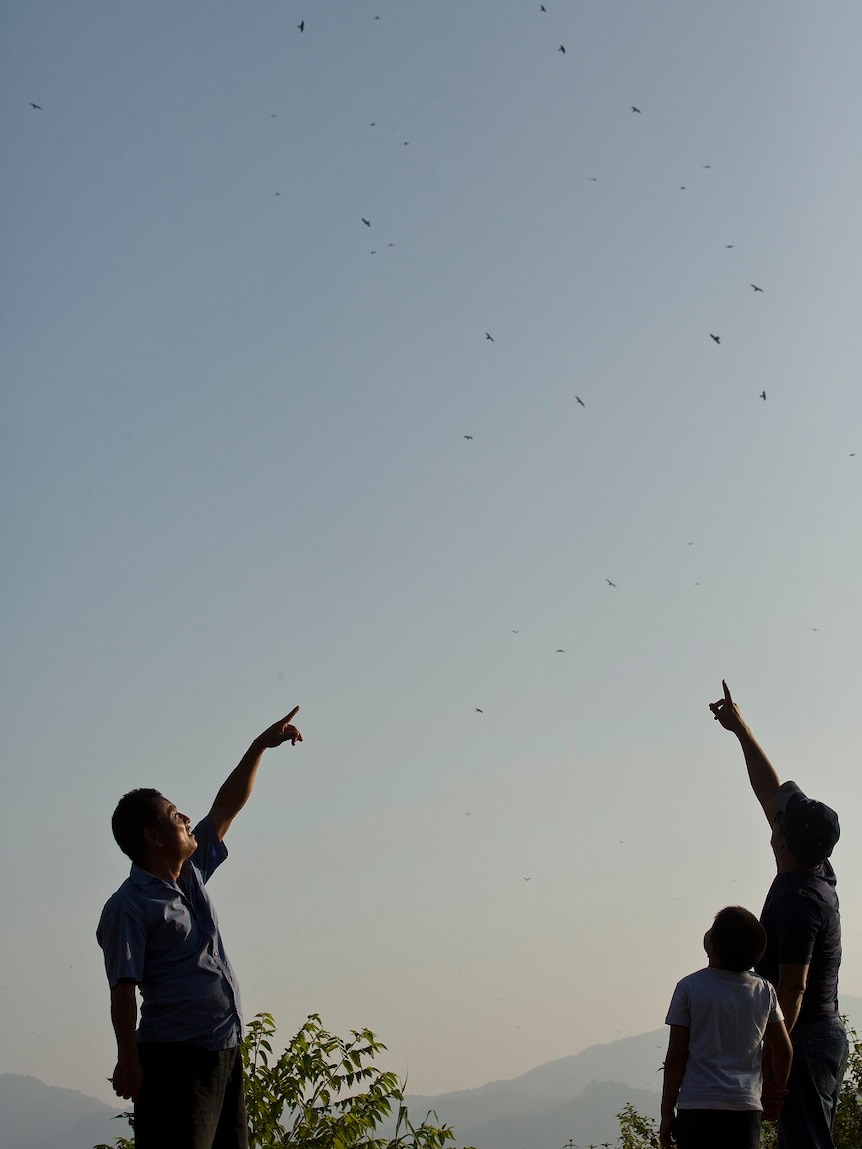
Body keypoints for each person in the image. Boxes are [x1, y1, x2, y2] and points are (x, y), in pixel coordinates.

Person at [96, 706, 303, 1149]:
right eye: (175, 816)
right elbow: (122, 986)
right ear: (154, 837)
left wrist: (259, 747)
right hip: (175, 1061)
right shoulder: (128, 907)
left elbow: (226, 807)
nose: (187, 819)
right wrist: (128, 1060)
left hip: (224, 1050)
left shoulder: (188, 873)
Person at [709, 681, 849, 1149]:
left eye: (779, 822)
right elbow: (770, 792)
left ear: (784, 840)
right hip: (815, 1038)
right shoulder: (817, 867)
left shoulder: (796, 900)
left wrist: (775, 1062)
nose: (774, 820)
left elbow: (793, 988)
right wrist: (740, 729)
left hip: (804, 1042)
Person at [660, 904, 792, 1149]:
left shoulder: (689, 987)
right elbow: (784, 1051)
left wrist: (667, 1110)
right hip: (745, 1107)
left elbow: (677, 1055)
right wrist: (775, 1091)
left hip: (697, 1106)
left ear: (713, 948)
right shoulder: (764, 990)